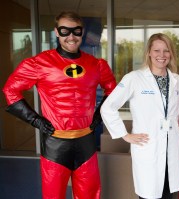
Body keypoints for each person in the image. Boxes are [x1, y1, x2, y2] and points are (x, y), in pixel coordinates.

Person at [2, 11, 116, 199]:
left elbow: (113, 90)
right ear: (56, 32)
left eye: (76, 31)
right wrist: (35, 120)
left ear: (82, 32)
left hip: (86, 142)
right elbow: (10, 90)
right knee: (53, 195)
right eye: (65, 31)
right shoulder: (39, 63)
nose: (71, 37)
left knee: (89, 194)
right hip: (55, 144)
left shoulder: (97, 65)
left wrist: (99, 115)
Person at [100, 33, 179, 199]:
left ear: (171, 54)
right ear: (149, 52)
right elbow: (107, 107)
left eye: (166, 51)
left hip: (170, 145)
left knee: (168, 194)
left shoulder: (177, 80)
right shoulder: (134, 78)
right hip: (148, 146)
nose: (161, 55)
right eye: (157, 50)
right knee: (149, 194)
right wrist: (125, 135)